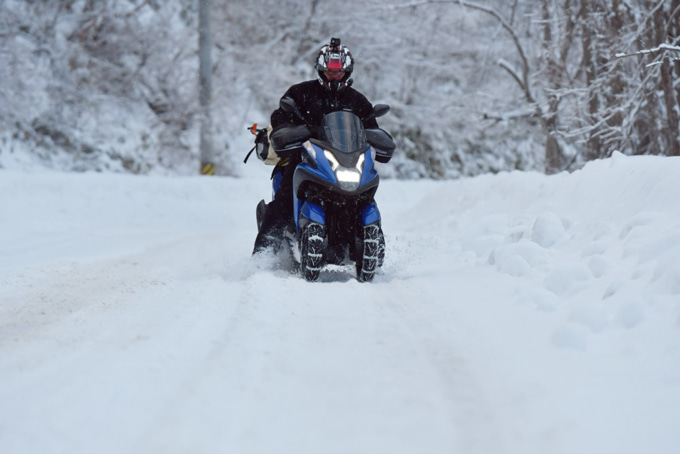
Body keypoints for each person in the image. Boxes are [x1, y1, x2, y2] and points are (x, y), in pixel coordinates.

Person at [253, 37, 389, 255]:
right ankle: (263, 252)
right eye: (329, 71)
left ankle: (366, 241)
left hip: (348, 161)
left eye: (338, 72)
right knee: (285, 199)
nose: (334, 75)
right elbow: (280, 117)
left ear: (348, 71)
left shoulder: (357, 101)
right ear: (320, 69)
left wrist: (381, 140)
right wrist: (287, 132)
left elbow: (371, 127)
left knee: (365, 196)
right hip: (306, 158)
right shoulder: (301, 93)